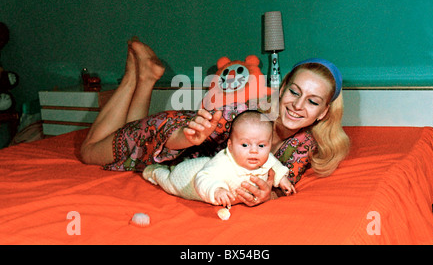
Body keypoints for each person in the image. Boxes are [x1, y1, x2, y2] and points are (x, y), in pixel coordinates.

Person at [80, 39, 350, 206]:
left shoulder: (304, 143)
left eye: (313, 102)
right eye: (294, 92)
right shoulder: (240, 113)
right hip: (169, 135)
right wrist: (188, 138)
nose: (298, 105)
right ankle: (131, 76)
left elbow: (281, 181)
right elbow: (186, 134)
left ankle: (148, 77)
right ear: (282, 90)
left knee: (127, 136)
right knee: (89, 151)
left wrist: (269, 195)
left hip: (180, 159)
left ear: (324, 112)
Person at [142, 110, 296, 207]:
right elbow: (203, 177)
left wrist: (282, 179)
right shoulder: (223, 162)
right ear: (230, 146)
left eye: (261, 146)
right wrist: (217, 190)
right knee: (169, 181)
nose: (254, 151)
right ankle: (154, 171)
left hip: (203, 169)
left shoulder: (266, 158)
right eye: (245, 145)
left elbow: (275, 165)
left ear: (269, 145)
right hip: (189, 179)